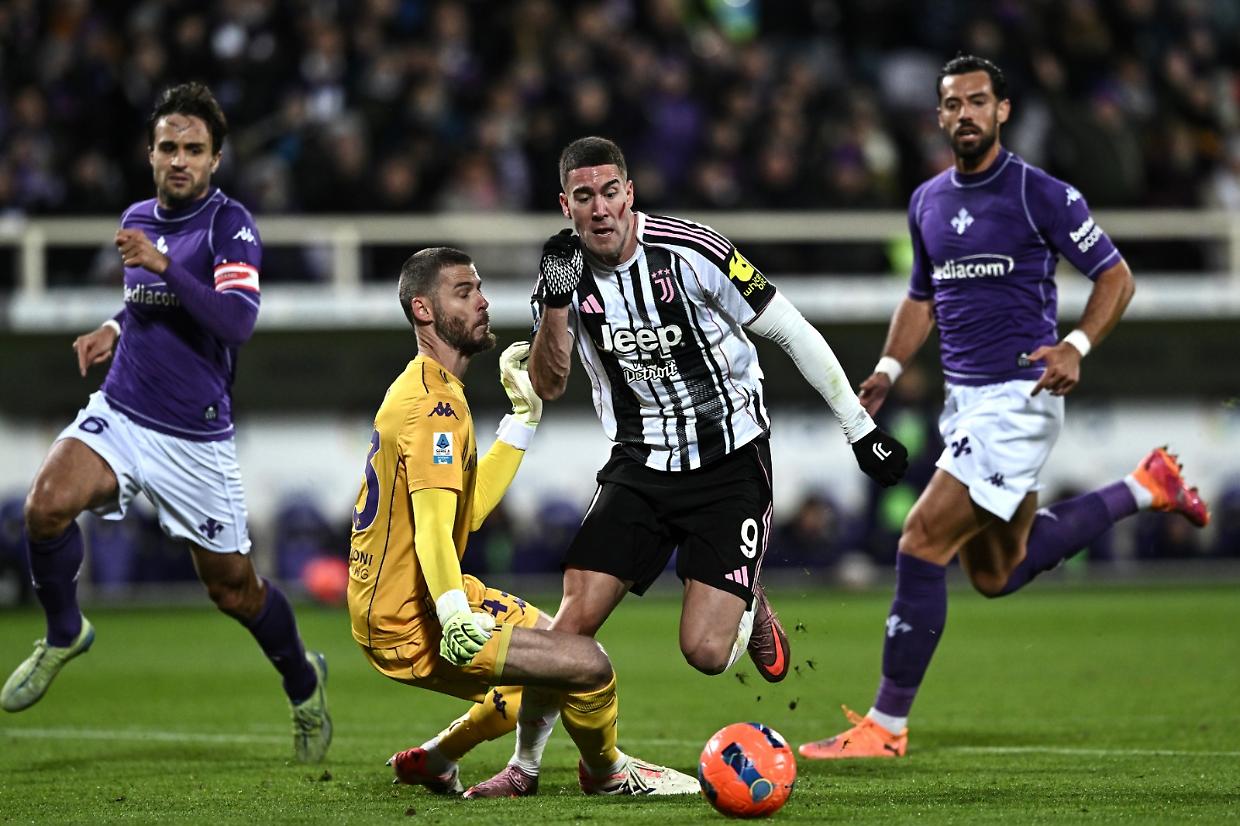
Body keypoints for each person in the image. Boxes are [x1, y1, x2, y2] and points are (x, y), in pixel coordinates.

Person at [466, 135, 910, 794]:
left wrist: (858, 427)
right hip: (639, 464)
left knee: (705, 653)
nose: (600, 210)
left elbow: (788, 328)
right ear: (566, 205)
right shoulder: (561, 276)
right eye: (583, 197)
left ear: (630, 193)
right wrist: (556, 304)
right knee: (570, 625)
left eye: (610, 192)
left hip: (729, 464)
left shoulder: (693, 249)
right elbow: (550, 382)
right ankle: (525, 769)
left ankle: (749, 610)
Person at [797, 54, 1211, 761]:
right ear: (939, 117)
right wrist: (890, 367)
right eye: (952, 104)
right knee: (995, 572)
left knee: (920, 540)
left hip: (1019, 399)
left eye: (978, 101)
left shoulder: (1040, 194)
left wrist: (1076, 343)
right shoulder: (927, 201)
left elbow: (1116, 277)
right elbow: (922, 296)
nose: (965, 113)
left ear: (1003, 111)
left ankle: (886, 727)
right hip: (965, 402)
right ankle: (1145, 486)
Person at [1, 83, 332, 762]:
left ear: (214, 160)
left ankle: (304, 683)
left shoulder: (229, 226)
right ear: (150, 153)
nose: (178, 159)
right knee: (45, 507)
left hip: (194, 436)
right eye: (167, 147)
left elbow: (236, 321)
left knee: (235, 591)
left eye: (193, 149)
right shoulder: (136, 216)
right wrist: (111, 328)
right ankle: (65, 633)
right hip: (122, 412)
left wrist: (162, 267)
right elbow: (145, 306)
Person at [349, 246, 698, 798]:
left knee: (553, 650)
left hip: (414, 594)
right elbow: (435, 529)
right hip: (408, 616)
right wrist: (453, 612)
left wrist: (523, 419)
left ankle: (436, 760)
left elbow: (469, 510)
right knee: (585, 664)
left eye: (480, 288)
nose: (483, 302)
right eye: (463, 293)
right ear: (422, 310)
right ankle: (609, 776)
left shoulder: (433, 390)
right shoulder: (432, 408)